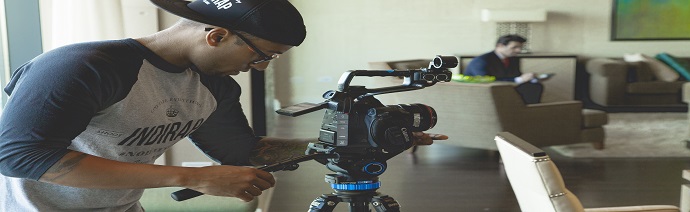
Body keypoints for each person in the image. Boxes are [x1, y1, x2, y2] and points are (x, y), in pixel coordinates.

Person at [0, 0, 448, 211]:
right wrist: (192, 176)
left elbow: (243, 153)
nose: (258, 67)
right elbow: (18, 155)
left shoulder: (214, 86)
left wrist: (358, 142)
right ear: (216, 35)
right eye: (261, 55)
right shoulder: (85, 66)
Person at [464, 34, 546, 104]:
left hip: (505, 88)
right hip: (484, 91)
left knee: (535, 86)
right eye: (514, 47)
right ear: (500, 46)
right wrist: (518, 79)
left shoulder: (513, 59)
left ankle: (529, 114)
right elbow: (485, 80)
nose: (518, 50)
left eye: (520, 47)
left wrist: (530, 78)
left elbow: (516, 75)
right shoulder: (481, 60)